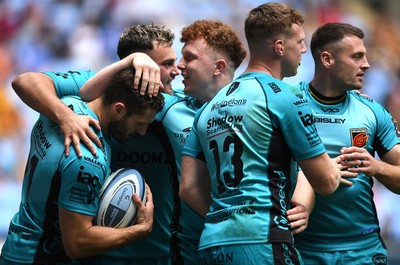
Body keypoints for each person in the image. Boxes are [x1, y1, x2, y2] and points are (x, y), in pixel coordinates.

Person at [11, 20, 248, 265]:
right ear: (140, 67)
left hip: (156, 253)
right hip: (89, 251)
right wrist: (66, 118)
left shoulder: (178, 106)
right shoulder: (99, 90)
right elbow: (25, 81)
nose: (176, 69)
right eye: (165, 64)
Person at [179, 3, 341, 264]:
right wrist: (335, 166)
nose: (302, 50)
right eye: (299, 42)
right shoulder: (286, 97)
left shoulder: (209, 105)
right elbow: (326, 182)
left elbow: (187, 188)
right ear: (279, 47)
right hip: (263, 240)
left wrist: (228, 219)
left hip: (212, 243)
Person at [0, 60, 165, 264]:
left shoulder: (67, 102)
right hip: (40, 258)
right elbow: (77, 243)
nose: (142, 132)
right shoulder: (89, 155)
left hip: (15, 246)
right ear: (119, 109)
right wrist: (139, 230)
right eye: (140, 123)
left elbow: (27, 80)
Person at [294, 22, 400, 265]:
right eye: (357, 56)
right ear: (327, 60)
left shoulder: (372, 111)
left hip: (362, 248)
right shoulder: (288, 106)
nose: (366, 64)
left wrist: (375, 167)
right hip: (303, 248)